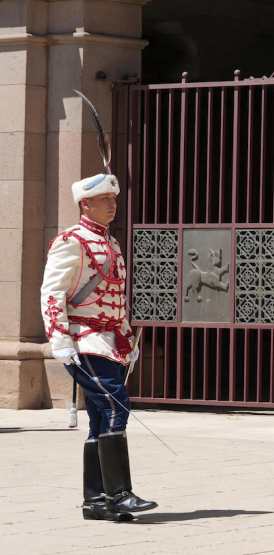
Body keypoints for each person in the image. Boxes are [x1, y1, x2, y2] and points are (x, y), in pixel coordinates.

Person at [43, 173, 157, 521]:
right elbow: (53, 293)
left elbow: (115, 299)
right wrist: (60, 340)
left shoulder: (111, 243)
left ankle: (95, 502)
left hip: (110, 341)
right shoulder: (70, 241)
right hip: (83, 339)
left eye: (114, 198)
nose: (113, 204)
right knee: (114, 405)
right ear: (85, 204)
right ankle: (120, 494)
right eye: (105, 199)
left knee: (98, 419)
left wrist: (126, 336)